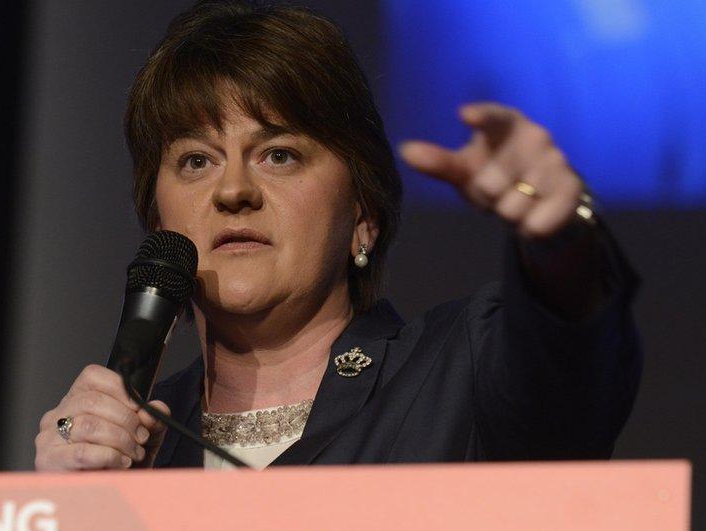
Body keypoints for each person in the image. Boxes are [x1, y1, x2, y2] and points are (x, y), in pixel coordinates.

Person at [34, 0, 640, 471]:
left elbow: (570, 350)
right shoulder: (132, 441)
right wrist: (62, 516)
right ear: (158, 216)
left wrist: (560, 238)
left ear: (362, 216)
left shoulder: (463, 370)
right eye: (197, 160)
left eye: (279, 154)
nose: (233, 190)